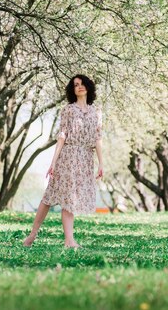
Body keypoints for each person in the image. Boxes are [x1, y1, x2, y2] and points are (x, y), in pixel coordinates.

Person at [23, 74, 104, 248]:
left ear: (88, 87)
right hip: (68, 156)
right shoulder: (68, 109)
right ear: (72, 90)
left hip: (85, 158)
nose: (79, 87)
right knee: (51, 197)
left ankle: (68, 240)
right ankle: (33, 235)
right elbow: (62, 136)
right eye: (76, 85)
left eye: (82, 84)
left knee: (70, 198)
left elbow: (97, 138)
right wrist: (53, 162)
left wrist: (101, 163)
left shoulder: (96, 111)